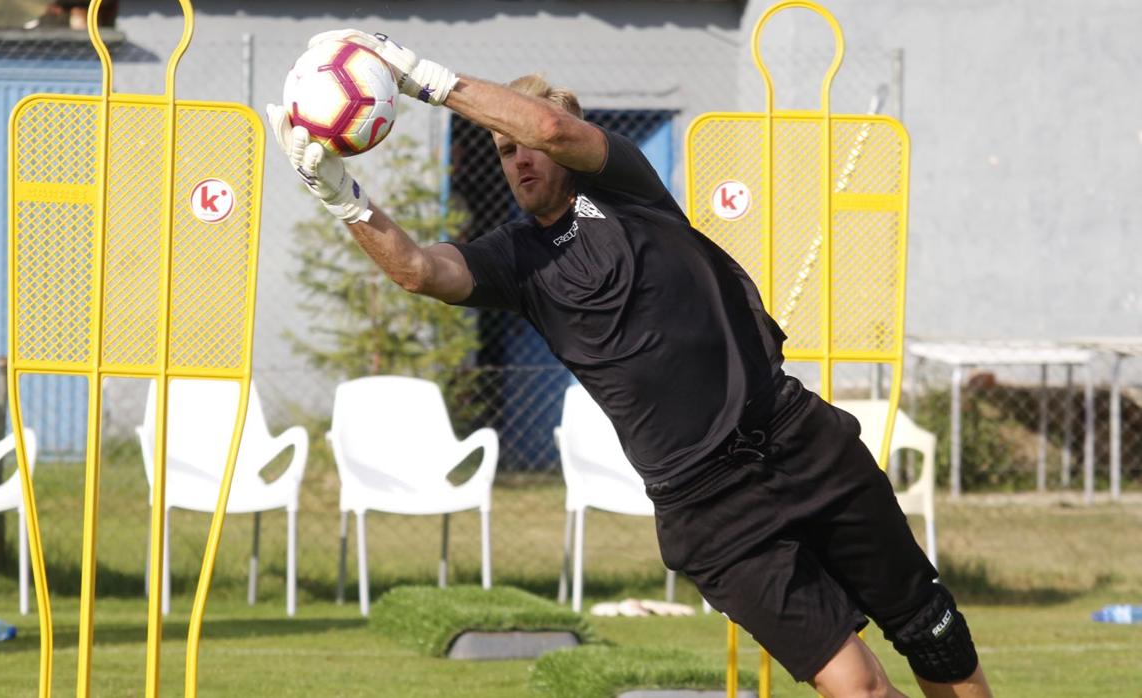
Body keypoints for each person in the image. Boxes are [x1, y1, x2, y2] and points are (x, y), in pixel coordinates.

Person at [266, 30, 993, 698]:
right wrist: (341, 197)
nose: (519, 158)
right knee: (858, 688)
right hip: (709, 510)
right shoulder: (513, 260)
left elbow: (549, 125)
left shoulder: (625, 188)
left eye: (523, 143)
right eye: (501, 152)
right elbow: (421, 271)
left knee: (931, 633)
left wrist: (415, 73)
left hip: (795, 436)